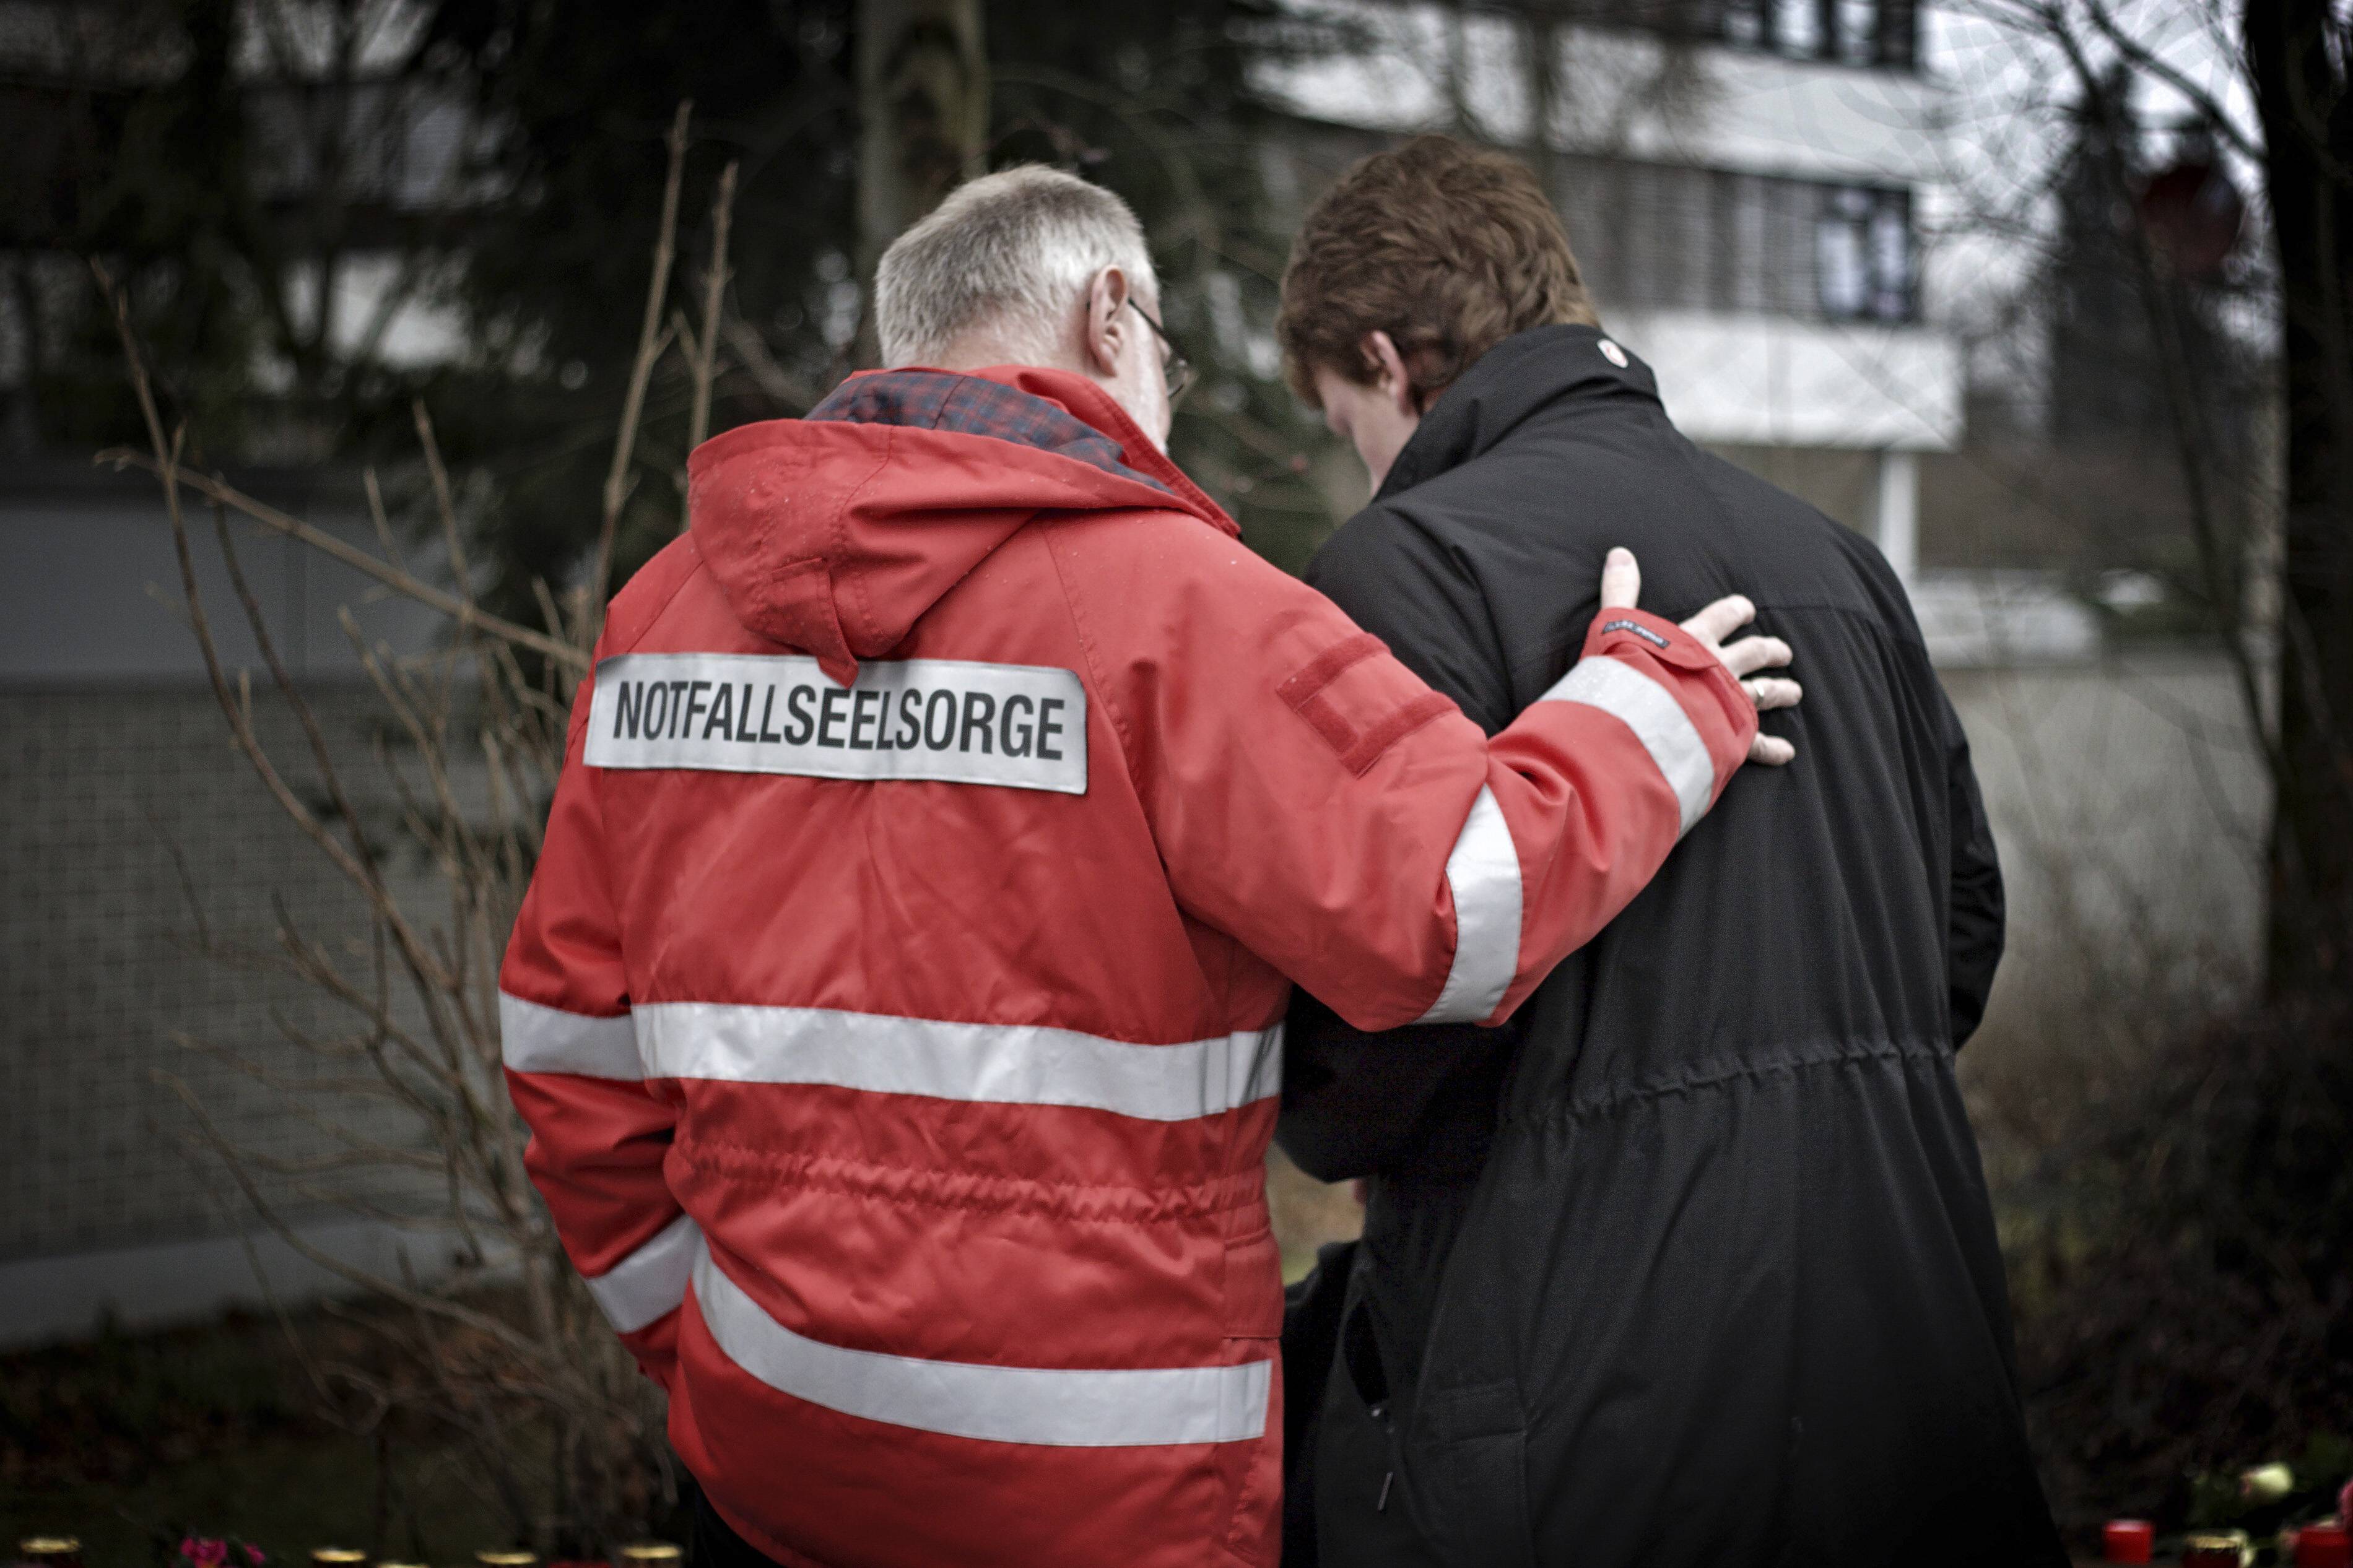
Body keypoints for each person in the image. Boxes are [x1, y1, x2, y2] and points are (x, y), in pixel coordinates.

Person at [497, 164, 1793, 1568]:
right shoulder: (1175, 605)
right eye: (1165, 355)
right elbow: (1455, 904)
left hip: (767, 1471)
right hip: (1108, 1498)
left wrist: (701, 1350)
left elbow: (570, 1050)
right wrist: (1654, 705)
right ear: (1109, 316)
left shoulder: (662, 615)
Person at [1272, 135, 2065, 1568]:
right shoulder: (1837, 563)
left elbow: (1358, 1045)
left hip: (1576, 1395)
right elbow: (1958, 937)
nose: (1363, 465)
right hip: (1904, 1354)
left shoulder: (1406, 569)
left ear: (1386, 361)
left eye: (1345, 423)